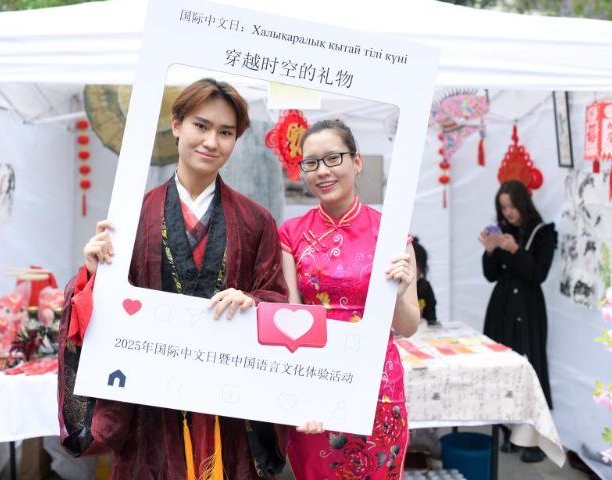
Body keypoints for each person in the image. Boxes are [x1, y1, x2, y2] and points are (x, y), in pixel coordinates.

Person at [57, 78, 289, 479]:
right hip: (149, 408)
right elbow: (98, 310)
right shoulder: (129, 218)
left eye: (226, 132)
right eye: (201, 126)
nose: (212, 142)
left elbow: (277, 301)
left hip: (228, 403)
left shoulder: (257, 221)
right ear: (176, 124)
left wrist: (253, 302)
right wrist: (93, 277)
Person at [278, 119, 421, 479]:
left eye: (332, 158)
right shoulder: (290, 235)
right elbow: (291, 319)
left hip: (378, 389)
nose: (321, 171)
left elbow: (408, 326)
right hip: (316, 383)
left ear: (357, 162)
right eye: (311, 163)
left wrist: (398, 295)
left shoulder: (391, 234)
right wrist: (302, 393)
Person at [478, 179, 556, 463]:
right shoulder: (503, 231)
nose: (508, 212)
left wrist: (514, 251)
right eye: (503, 207)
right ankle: (508, 433)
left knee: (531, 368)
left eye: (512, 206)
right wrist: (490, 251)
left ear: (523, 203)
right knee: (501, 367)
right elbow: (491, 275)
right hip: (502, 306)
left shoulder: (543, 232)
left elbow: (537, 274)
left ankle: (536, 439)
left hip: (528, 307)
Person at [412, 236, 437, 325]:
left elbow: (432, 317)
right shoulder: (394, 286)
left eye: (417, 265)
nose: (414, 269)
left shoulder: (425, 286)